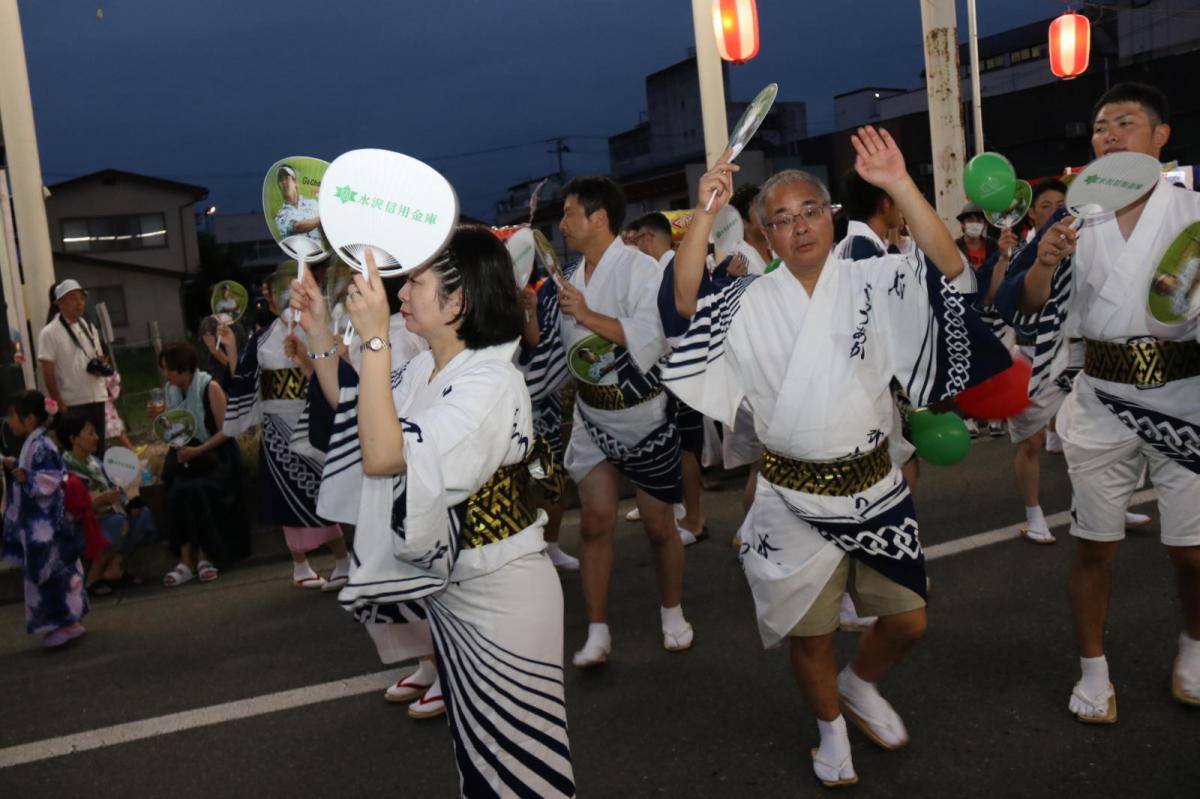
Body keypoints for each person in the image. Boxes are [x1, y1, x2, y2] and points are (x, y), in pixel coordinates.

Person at [661, 127, 1010, 787]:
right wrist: (705, 212)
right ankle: (830, 729)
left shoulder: (874, 278)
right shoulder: (744, 301)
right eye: (781, 219)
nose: (799, 227)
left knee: (908, 619)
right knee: (810, 633)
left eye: (810, 211)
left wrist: (899, 182)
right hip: (792, 496)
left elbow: (951, 270)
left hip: (875, 485)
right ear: (765, 236)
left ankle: (859, 681)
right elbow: (684, 302)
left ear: (832, 217)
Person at [294, 227, 575, 796]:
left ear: (457, 302)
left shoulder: (489, 384)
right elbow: (358, 407)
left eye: (415, 282)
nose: (400, 293)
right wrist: (321, 331)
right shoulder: (430, 367)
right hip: (455, 589)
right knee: (482, 762)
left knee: (521, 770)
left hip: (502, 597)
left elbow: (383, 456)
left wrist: (375, 340)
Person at [999, 82, 1200, 720]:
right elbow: (1023, 306)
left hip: (1186, 397)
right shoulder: (1073, 218)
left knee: (1193, 551)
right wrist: (1042, 263)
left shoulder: (1194, 213)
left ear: (1160, 136)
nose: (1108, 135)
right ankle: (1093, 670)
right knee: (1095, 545)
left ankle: (1194, 648)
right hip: (1102, 397)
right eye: (1100, 126)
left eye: (1124, 122)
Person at [553, 176, 693, 668]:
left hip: (642, 415)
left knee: (658, 526)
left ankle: (672, 611)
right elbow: (564, 351)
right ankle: (597, 630)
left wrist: (586, 313)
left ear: (598, 218)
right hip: (591, 414)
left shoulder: (639, 268)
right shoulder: (572, 274)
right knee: (594, 523)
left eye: (569, 213)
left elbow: (653, 336)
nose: (562, 224)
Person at [224, 269, 351, 590]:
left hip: (312, 421)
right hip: (276, 428)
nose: (277, 297)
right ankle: (300, 565)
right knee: (285, 496)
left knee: (321, 494)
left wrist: (304, 356)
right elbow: (245, 379)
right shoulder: (262, 337)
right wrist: (230, 348)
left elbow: (332, 374)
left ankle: (343, 560)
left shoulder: (317, 329)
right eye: (272, 291)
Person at [629, 211, 706, 546]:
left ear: (648, 238)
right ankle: (685, 511)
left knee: (686, 448)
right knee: (681, 447)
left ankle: (695, 518)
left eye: (636, 240)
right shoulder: (668, 268)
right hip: (678, 369)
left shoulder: (673, 268)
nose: (634, 247)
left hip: (683, 368)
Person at [157, 342, 251, 586]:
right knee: (177, 490)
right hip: (186, 456)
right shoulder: (171, 391)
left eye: (169, 369)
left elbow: (227, 430)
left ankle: (204, 556)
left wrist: (199, 450)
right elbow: (173, 429)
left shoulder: (210, 387)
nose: (166, 374)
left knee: (198, 490)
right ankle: (184, 559)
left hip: (215, 456)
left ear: (183, 368)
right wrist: (160, 421)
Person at [1, 390, 88, 648]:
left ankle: (66, 623)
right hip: (40, 524)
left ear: (29, 419)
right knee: (50, 573)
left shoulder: (41, 446)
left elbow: (51, 479)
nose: (9, 421)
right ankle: (64, 622)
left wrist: (26, 477)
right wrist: (18, 467)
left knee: (51, 574)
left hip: (47, 526)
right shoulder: (36, 444)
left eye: (13, 416)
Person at [516, 262, 581, 573]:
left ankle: (551, 545)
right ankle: (527, 550)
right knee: (516, 485)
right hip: (505, 415)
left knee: (547, 481)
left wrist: (527, 310)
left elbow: (534, 342)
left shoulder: (531, 299)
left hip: (538, 416)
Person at [58, 413, 158, 594]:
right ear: (73, 439)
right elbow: (70, 512)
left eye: (96, 433)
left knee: (142, 515)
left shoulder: (96, 462)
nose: (96, 437)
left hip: (111, 515)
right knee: (117, 522)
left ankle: (115, 567)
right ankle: (93, 577)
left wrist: (128, 502)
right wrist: (99, 501)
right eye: (91, 433)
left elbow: (115, 491)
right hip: (83, 527)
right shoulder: (64, 469)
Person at [37, 279, 111, 458]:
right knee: (78, 454)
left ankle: (100, 476)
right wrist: (58, 402)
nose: (79, 303)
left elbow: (98, 355)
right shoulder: (49, 332)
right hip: (73, 402)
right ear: (59, 303)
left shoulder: (88, 326)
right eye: (72, 298)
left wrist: (101, 366)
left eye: (81, 298)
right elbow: (47, 370)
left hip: (97, 396)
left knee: (98, 449)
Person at [273, 164, 322, 243]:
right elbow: (298, 227)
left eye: (286, 178)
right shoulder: (280, 215)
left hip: (320, 250)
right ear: (279, 186)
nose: (284, 182)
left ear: (295, 182)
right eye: (281, 180)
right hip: (299, 251)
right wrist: (323, 218)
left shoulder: (313, 203)